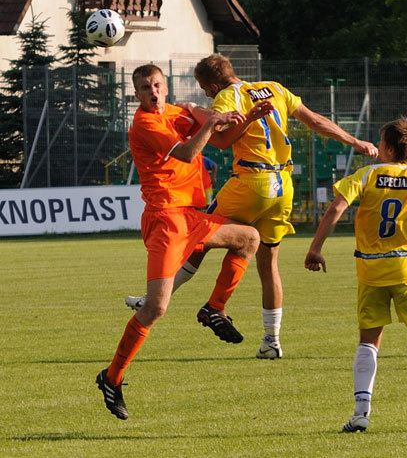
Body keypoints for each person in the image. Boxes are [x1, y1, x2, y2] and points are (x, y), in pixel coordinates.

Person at [126, 53, 378, 359]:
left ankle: (169, 301)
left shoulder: (227, 96)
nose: (207, 95)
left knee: (198, 237)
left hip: (250, 182)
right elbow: (315, 121)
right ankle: (272, 340)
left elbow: (219, 140)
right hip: (283, 186)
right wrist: (355, 142)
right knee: (268, 262)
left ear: (213, 84)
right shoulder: (275, 88)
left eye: (206, 89)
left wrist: (198, 109)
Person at [96, 64, 264, 420]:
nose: (153, 92)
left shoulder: (178, 111)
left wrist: (245, 116)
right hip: (165, 221)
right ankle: (112, 377)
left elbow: (220, 138)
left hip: (191, 216)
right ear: (137, 95)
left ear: (165, 86)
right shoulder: (145, 124)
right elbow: (188, 153)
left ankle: (214, 308)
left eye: (156, 85)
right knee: (155, 308)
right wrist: (208, 121)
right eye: (145, 88)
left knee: (249, 238)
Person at [304, 117, 407, 432]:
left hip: (370, 269)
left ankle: (360, 415)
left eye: (380, 143)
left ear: (389, 148)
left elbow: (335, 209)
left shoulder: (365, 175)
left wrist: (315, 248)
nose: (377, 147)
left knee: (369, 341)